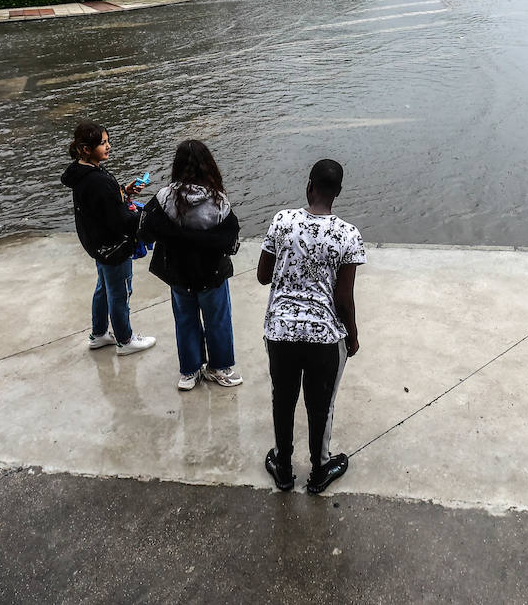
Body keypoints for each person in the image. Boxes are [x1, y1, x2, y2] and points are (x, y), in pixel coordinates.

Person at [256, 159, 366, 495]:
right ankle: (319, 471)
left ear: (309, 186)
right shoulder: (348, 235)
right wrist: (354, 335)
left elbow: (263, 275)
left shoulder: (283, 221)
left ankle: (284, 469)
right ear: (339, 193)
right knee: (320, 405)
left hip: (281, 332)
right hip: (323, 335)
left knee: (283, 399)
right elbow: (343, 298)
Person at [139, 139, 243, 391]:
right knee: (217, 319)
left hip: (178, 273)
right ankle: (219, 367)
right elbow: (230, 241)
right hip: (211, 273)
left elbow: (145, 229)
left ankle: (189, 371)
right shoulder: (218, 201)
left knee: (185, 319)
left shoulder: (165, 197)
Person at [62, 121, 155, 356]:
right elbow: (119, 220)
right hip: (114, 247)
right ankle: (125, 339)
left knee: (103, 288)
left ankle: (99, 333)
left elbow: (102, 204)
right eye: (103, 143)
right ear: (86, 149)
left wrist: (123, 191)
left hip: (97, 245)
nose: (109, 146)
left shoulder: (81, 174)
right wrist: (146, 216)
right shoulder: (98, 180)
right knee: (120, 293)